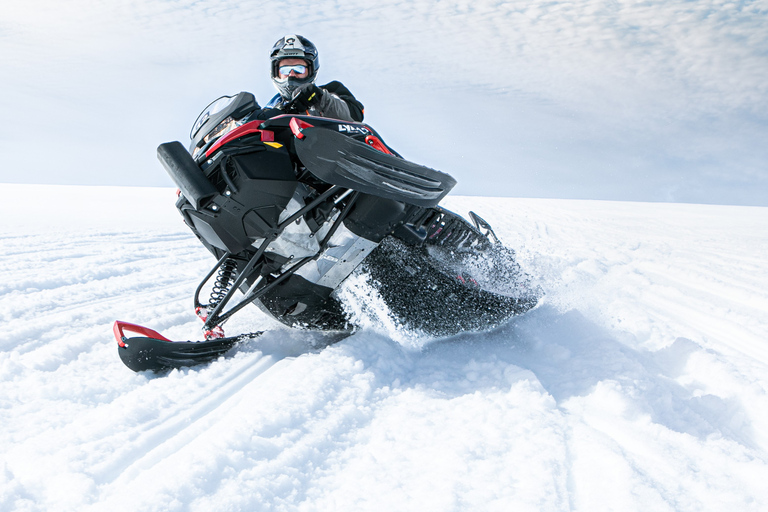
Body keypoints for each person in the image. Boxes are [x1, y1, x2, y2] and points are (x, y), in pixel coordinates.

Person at [258, 34, 364, 122]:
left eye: (299, 69)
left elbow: (355, 115)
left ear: (311, 71)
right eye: (285, 70)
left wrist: (320, 98)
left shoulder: (332, 91)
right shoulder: (268, 111)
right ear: (276, 72)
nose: (292, 74)